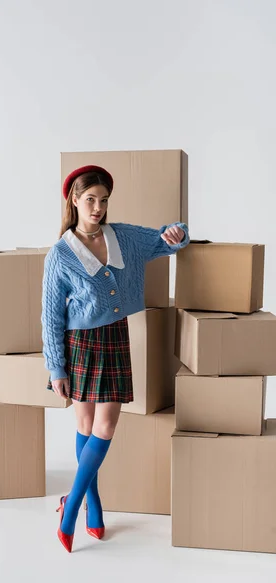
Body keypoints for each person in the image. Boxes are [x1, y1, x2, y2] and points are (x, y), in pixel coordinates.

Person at [41, 165, 190, 553]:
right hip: (78, 344)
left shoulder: (122, 236)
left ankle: (70, 504)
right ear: (74, 200)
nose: (97, 208)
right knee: (86, 422)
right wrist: (56, 368)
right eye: (90, 200)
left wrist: (178, 231)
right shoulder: (59, 255)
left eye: (103, 200)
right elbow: (50, 314)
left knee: (105, 427)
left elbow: (167, 241)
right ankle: (93, 503)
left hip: (114, 338)